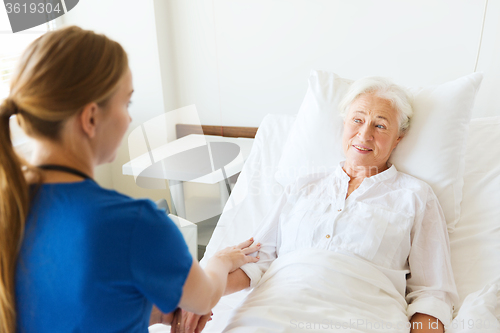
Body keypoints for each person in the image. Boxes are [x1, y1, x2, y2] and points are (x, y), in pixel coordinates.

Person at [0, 26, 260, 333]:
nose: (129, 118)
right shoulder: (134, 222)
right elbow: (203, 300)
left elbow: (66, 305)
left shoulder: (11, 207)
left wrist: (152, 313)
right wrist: (220, 261)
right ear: (91, 118)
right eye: (127, 104)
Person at [181, 77, 458, 333]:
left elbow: (432, 294)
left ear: (399, 137)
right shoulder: (302, 185)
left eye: (380, 125)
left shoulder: (416, 196)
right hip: (271, 312)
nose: (364, 134)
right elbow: (256, 260)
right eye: (357, 120)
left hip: (365, 317)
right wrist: (200, 298)